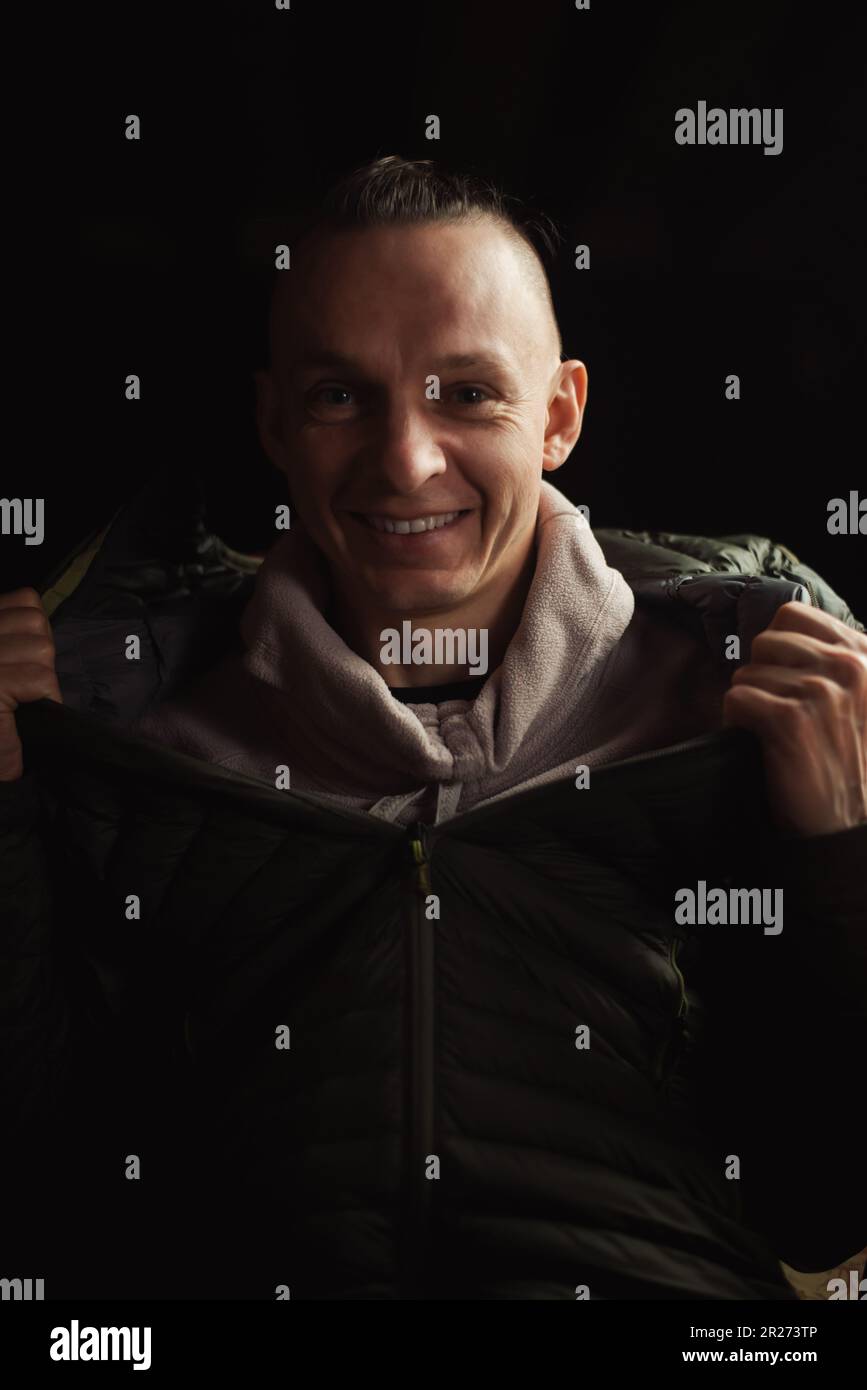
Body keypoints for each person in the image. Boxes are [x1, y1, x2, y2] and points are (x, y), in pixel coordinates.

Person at [1, 156, 864, 1301]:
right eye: (341, 396)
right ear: (275, 421)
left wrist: (841, 856)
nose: (406, 460)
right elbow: (49, 1196)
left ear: (559, 415)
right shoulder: (140, 742)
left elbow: (826, 1206)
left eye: (466, 392)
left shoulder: (757, 707)